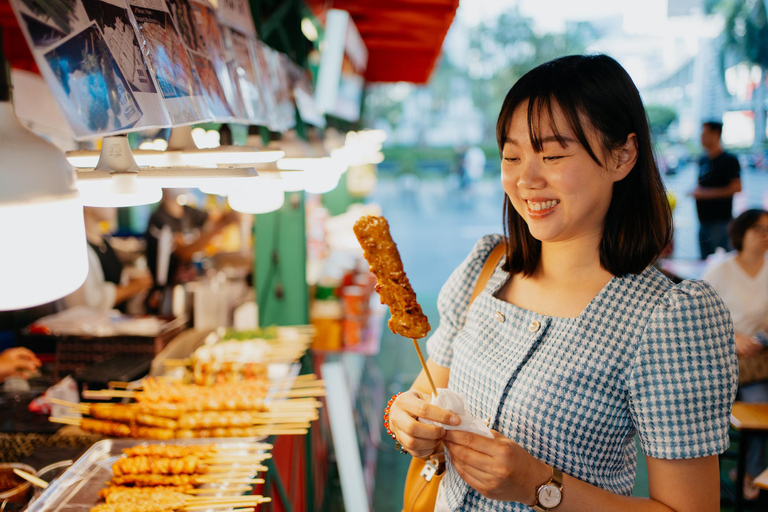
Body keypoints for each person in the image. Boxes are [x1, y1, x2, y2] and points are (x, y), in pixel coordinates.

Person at [386, 55, 737, 512]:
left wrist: (538, 484)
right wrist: (405, 418)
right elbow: (426, 393)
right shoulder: (486, 268)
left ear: (622, 155)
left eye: (552, 155)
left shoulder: (669, 318)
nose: (527, 179)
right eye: (512, 156)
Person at [702, 209, 768, 500]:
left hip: (757, 362)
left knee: (761, 410)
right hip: (718, 361)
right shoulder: (721, 270)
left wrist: (761, 338)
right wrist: (734, 337)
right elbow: (698, 319)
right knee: (708, 413)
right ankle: (707, 477)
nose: (765, 236)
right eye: (759, 229)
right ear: (742, 233)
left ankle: (749, 473)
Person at [145, 189, 239, 313]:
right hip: (166, 294)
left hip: (187, 288)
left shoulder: (188, 211)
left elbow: (214, 217)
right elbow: (184, 252)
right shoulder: (159, 219)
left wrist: (229, 214)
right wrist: (220, 226)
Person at [66, 207, 152, 312]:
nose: (113, 205)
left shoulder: (104, 241)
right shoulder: (77, 248)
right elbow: (87, 303)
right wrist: (132, 287)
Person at [691, 121, 741, 259]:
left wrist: (704, 194)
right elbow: (702, 186)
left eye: (704, 134)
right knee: (705, 262)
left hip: (720, 221)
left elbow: (736, 188)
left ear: (716, 134)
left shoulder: (729, 160)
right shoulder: (703, 160)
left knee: (720, 261)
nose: (701, 137)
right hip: (703, 220)